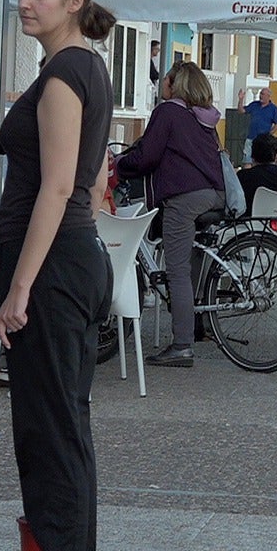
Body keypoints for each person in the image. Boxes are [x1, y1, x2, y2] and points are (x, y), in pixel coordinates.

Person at [0, 0, 114, 551]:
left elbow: (61, 186)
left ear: (74, 2)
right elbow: (90, 181)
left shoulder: (66, 72)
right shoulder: (83, 67)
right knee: (63, 428)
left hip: (53, 266)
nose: (25, 2)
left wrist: (19, 288)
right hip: (71, 260)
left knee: (49, 435)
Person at [117, 61, 225, 368]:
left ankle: (182, 346)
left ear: (174, 84)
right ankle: (194, 323)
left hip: (185, 197)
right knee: (186, 265)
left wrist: (118, 166)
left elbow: (148, 156)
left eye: (165, 79)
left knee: (177, 271)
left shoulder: (167, 112)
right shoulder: (202, 117)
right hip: (213, 193)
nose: (161, 83)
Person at [235, 87, 277, 165]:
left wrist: (269, 134)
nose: (260, 96)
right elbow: (241, 111)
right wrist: (241, 99)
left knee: (261, 161)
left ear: (268, 96)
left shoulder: (273, 109)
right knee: (247, 161)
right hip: (251, 138)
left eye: (263, 94)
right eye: (260, 94)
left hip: (263, 141)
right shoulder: (255, 104)